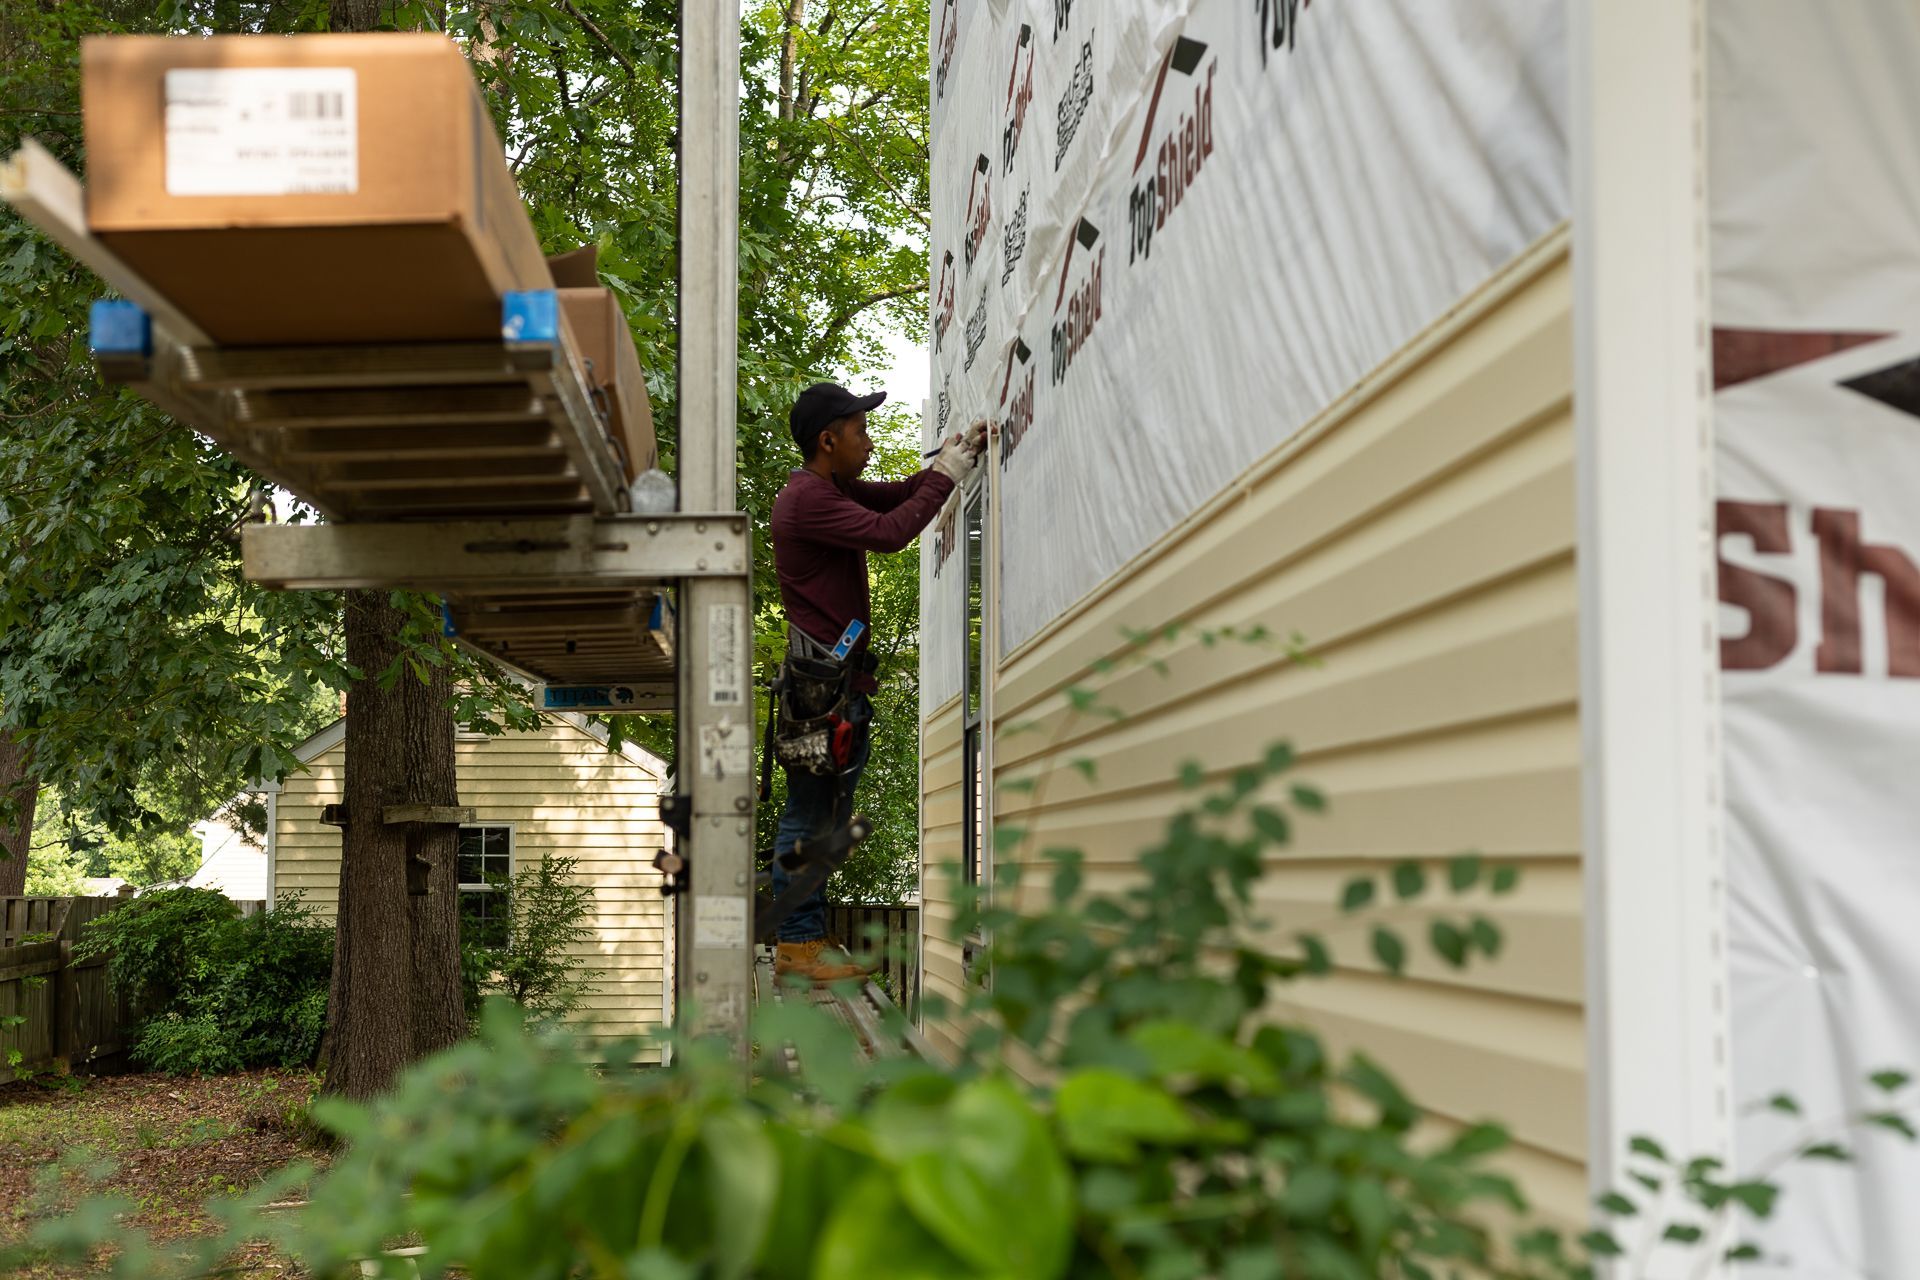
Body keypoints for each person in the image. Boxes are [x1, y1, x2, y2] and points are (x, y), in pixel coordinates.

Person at [768, 381, 986, 982]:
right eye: (860, 430)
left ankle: (803, 939)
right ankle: (797, 944)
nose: (868, 441)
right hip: (824, 689)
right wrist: (946, 473)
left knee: (824, 818)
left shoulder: (826, 487)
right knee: (809, 817)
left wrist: (952, 459)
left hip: (833, 685)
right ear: (827, 439)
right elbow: (891, 534)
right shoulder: (808, 499)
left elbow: (895, 499)